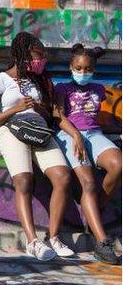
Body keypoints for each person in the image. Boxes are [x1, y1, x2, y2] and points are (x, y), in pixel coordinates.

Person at [0, 32, 72, 262]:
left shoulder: (39, 81)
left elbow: (52, 115)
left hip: (40, 131)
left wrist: (42, 109)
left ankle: (54, 237)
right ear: (22, 54)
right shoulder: (0, 80)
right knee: (24, 181)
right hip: (11, 130)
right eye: (38, 54)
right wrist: (16, 108)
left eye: (43, 55)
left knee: (62, 177)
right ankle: (33, 241)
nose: (41, 59)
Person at [54, 44, 121, 264]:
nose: (83, 73)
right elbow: (59, 117)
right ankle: (101, 241)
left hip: (94, 135)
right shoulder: (62, 88)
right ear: (71, 67)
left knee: (118, 166)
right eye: (79, 68)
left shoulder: (99, 90)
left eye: (88, 69)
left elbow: (97, 118)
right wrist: (76, 136)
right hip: (71, 136)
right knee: (89, 183)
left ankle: (95, 211)